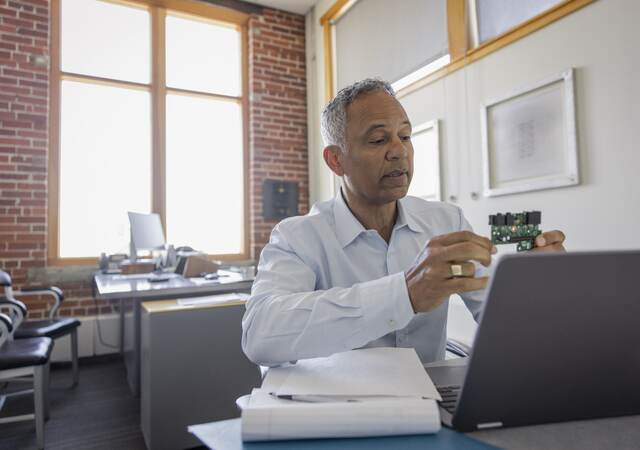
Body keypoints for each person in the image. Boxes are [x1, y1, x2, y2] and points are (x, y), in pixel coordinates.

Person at [242, 78, 565, 367]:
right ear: (336, 160)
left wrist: (534, 287)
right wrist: (404, 294)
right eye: (378, 140)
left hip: (435, 409)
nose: (399, 151)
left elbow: (503, 323)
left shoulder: (446, 221)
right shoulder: (297, 237)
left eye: (405, 136)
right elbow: (260, 335)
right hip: (342, 413)